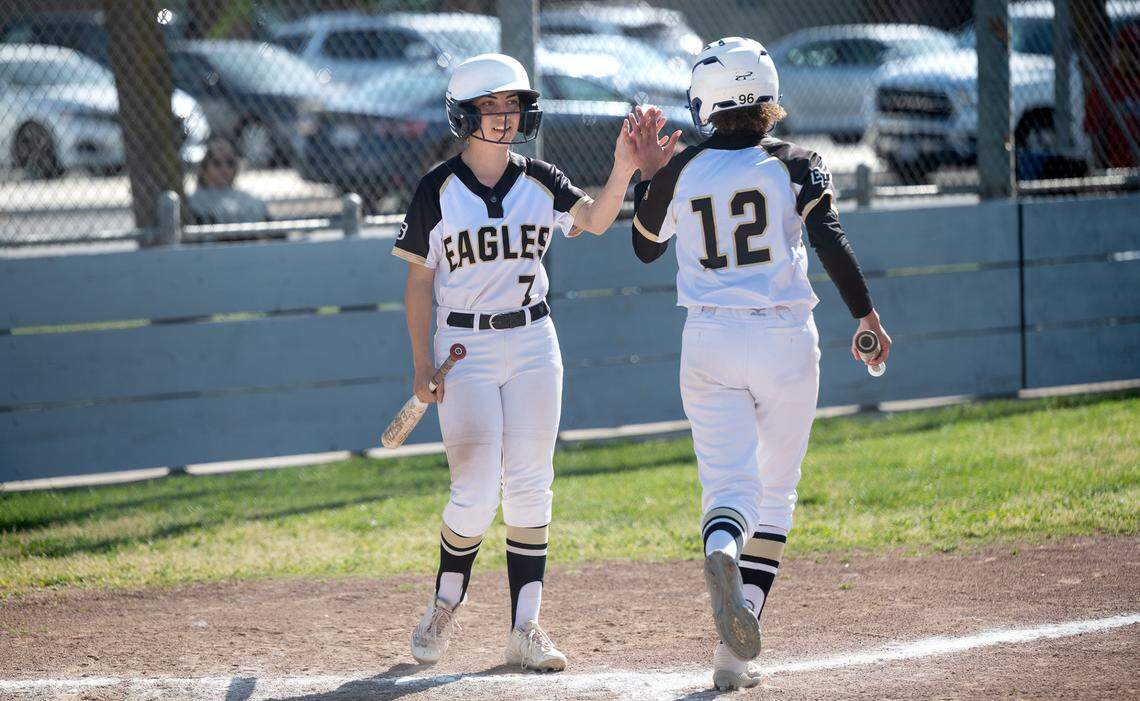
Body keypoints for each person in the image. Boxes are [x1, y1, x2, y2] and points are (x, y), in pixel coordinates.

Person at [628, 37, 892, 690]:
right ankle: (733, 652)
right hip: (782, 340)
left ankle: (721, 545)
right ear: (766, 95)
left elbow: (642, 249)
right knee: (776, 494)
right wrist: (866, 314)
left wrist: (650, 176)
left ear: (708, 101)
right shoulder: (794, 162)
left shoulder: (682, 168)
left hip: (708, 341)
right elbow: (829, 238)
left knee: (729, 489)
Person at [392, 53, 640, 671]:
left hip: (533, 341)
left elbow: (596, 220)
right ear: (463, 115)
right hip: (464, 348)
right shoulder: (437, 190)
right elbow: (420, 284)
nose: (504, 118)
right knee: (475, 490)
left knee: (531, 484)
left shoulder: (541, 178)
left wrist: (623, 171)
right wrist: (420, 362)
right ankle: (446, 601)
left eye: (511, 106)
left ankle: (526, 627)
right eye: (490, 107)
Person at [187, 137, 269, 226]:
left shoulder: (246, 198)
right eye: (217, 163)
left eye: (230, 163)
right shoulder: (195, 201)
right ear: (204, 168)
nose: (224, 169)